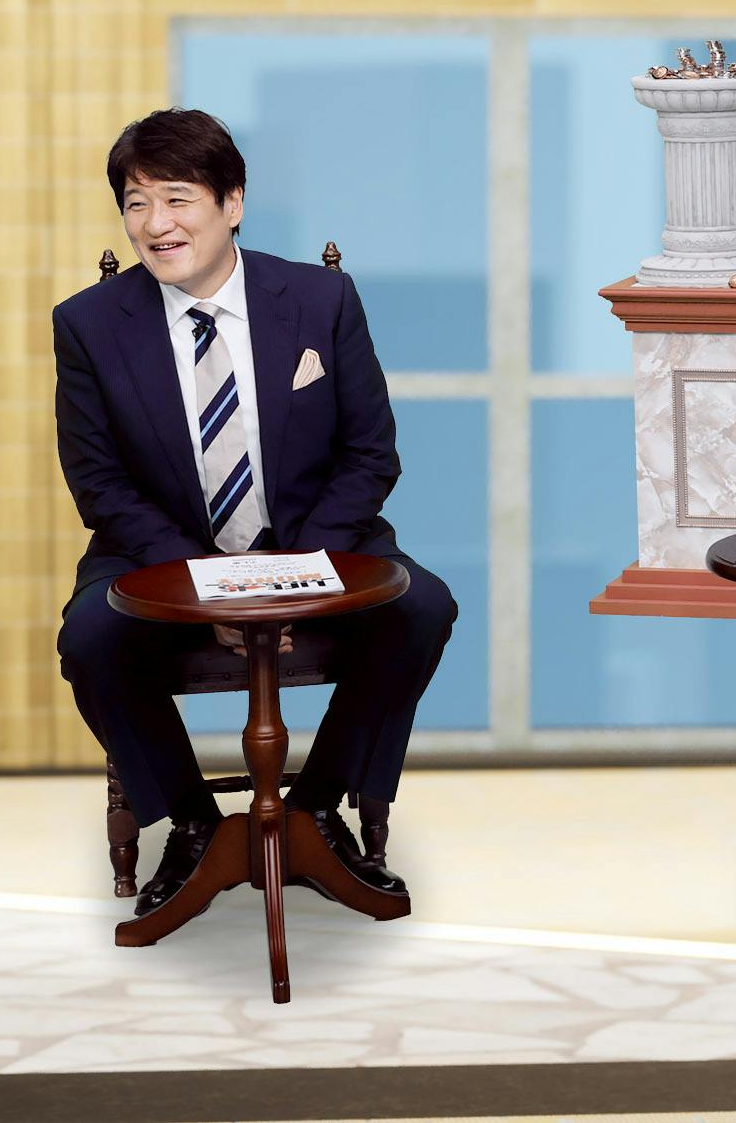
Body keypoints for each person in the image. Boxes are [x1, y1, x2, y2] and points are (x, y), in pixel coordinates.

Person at [53, 108, 457, 916]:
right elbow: (99, 484)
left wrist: (285, 582)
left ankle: (318, 809)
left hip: (317, 544)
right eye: (136, 204)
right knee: (90, 637)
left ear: (231, 202)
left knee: (423, 608)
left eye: (177, 199)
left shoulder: (320, 299)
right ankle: (194, 825)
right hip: (162, 554)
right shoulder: (89, 324)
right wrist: (212, 589)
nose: (155, 224)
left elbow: (370, 454)